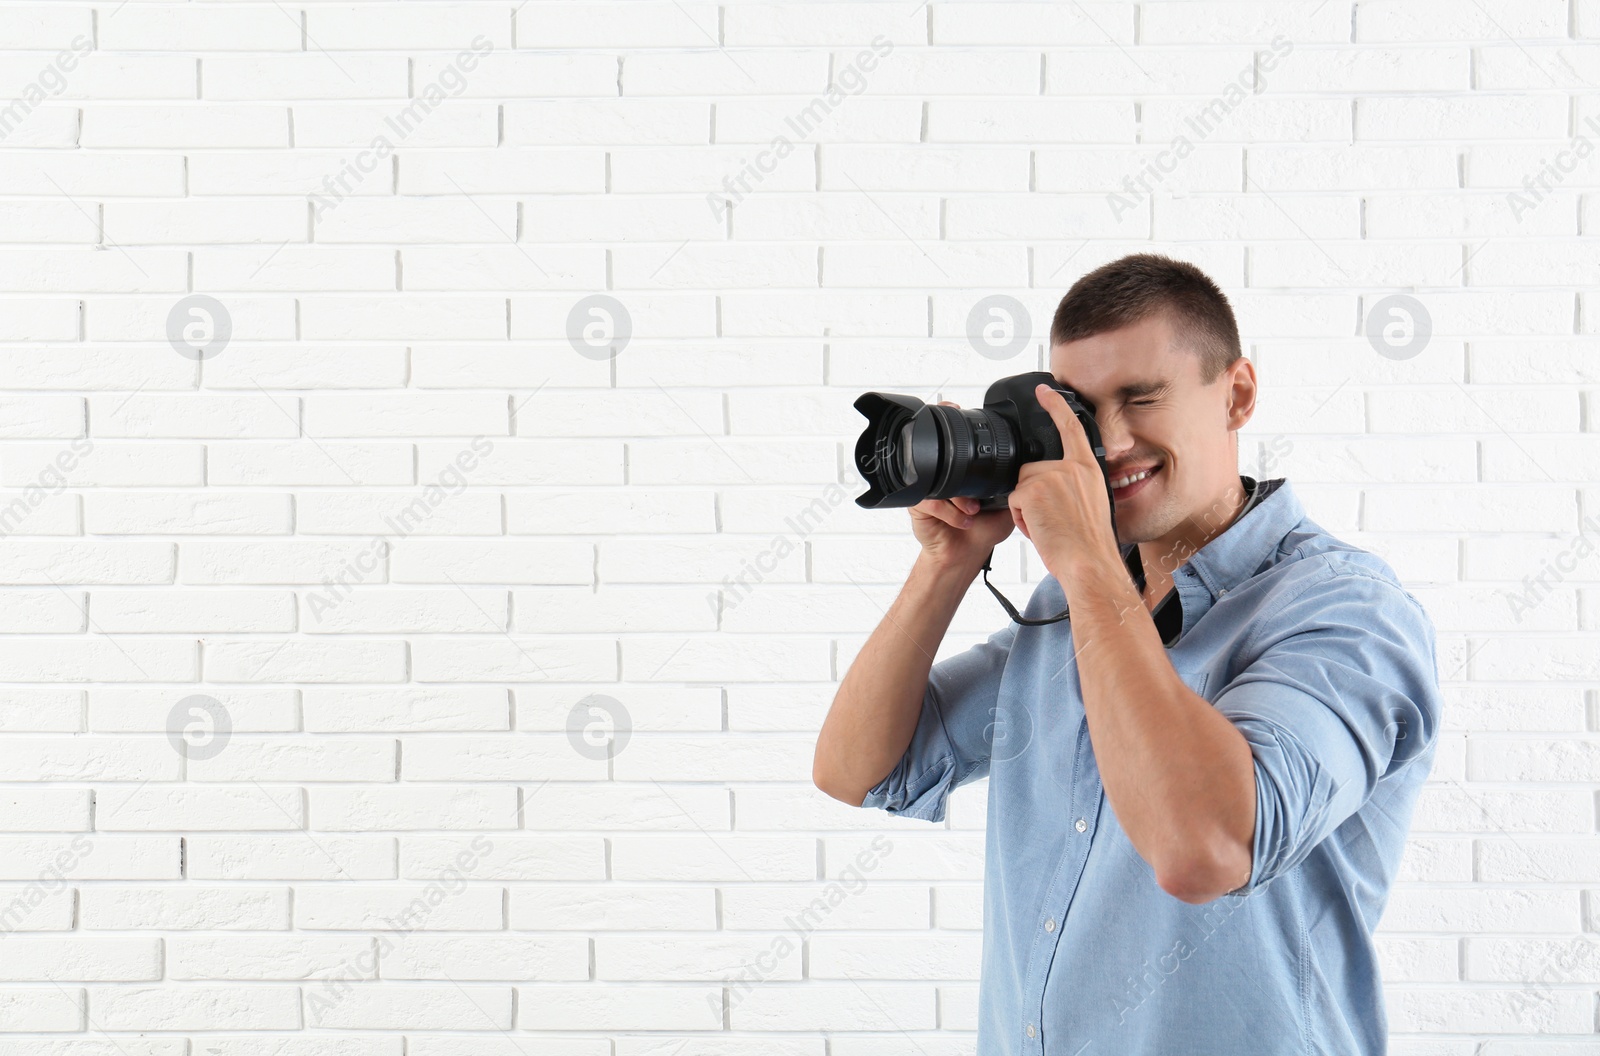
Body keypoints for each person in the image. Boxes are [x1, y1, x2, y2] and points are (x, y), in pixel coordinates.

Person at [812, 253, 1443, 1055]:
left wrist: (1085, 564)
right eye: (1081, 414)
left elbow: (1203, 849)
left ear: (1237, 394)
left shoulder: (1347, 611)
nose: (1107, 444)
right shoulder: (1071, 609)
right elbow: (859, 770)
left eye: (1141, 399)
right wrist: (948, 562)